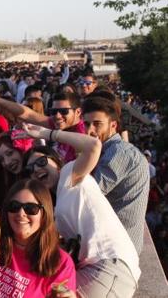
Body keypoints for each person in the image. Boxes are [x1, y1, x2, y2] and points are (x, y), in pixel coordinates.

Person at [21, 124, 140, 297]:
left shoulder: (69, 174)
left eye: (41, 162)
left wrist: (48, 133)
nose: (36, 170)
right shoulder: (57, 202)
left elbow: (93, 146)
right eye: (29, 170)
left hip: (108, 264)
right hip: (95, 267)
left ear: (56, 162)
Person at [0, 179, 76, 297]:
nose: (21, 213)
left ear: (45, 214)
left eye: (31, 208)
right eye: (14, 206)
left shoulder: (60, 262)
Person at [82, 96, 149, 254]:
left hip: (117, 250)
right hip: (115, 243)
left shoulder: (118, 153)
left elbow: (88, 194)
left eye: (97, 124)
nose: (90, 130)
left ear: (113, 125)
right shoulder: (110, 150)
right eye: (86, 124)